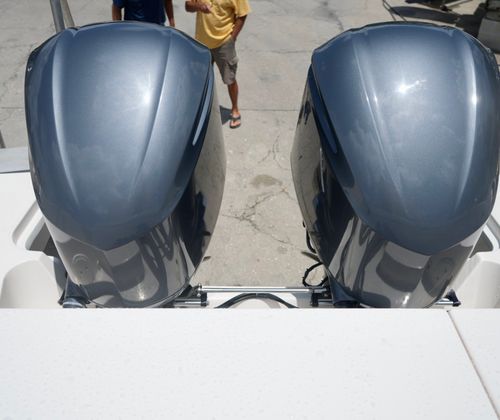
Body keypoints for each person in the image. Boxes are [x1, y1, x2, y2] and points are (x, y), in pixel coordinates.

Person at [185, 0, 250, 129]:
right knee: (200, 80)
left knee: (230, 79)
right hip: (202, 43)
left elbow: (242, 14)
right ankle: (200, 110)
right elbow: (188, 6)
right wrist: (198, 6)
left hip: (224, 43)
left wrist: (232, 38)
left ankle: (235, 109)